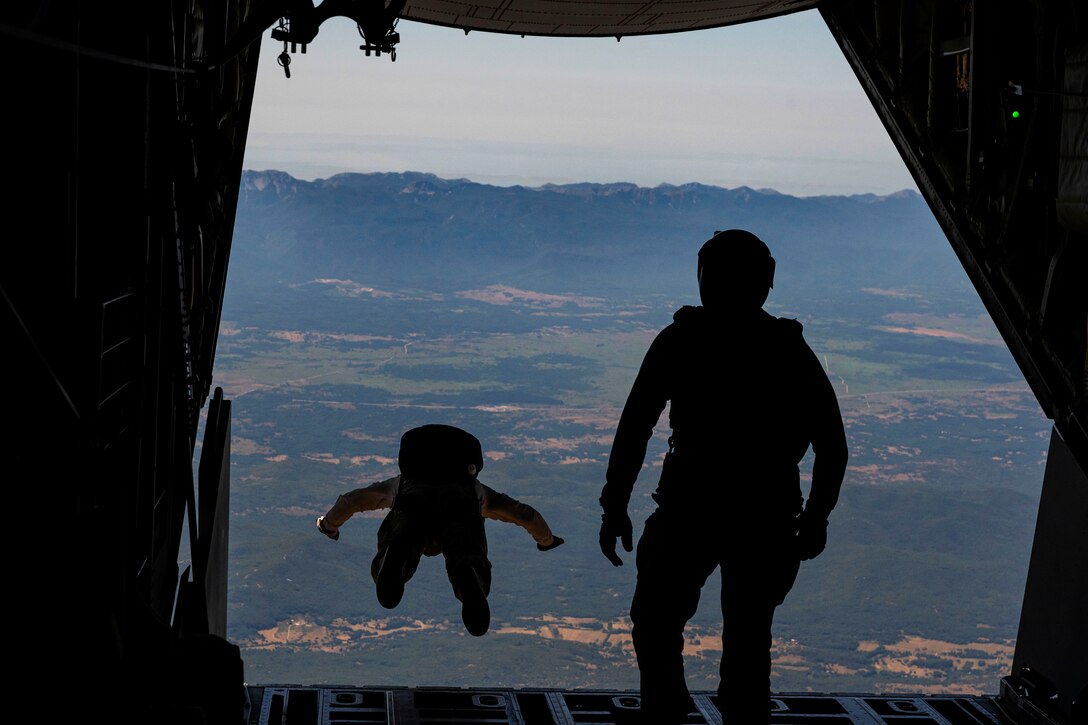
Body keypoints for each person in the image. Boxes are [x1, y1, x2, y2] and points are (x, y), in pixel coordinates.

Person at [597, 229, 849, 724]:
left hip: (692, 509)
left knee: (656, 622)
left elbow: (635, 427)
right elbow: (831, 446)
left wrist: (615, 505)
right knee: (749, 638)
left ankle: (667, 713)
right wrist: (816, 517)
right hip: (764, 515)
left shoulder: (681, 340)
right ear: (766, 282)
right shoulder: (787, 349)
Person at [317, 423, 565, 637]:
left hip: (412, 503)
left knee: (403, 538)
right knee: (467, 553)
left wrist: (329, 525)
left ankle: (393, 557)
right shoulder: (477, 491)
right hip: (462, 508)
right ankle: (469, 576)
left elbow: (352, 500)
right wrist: (546, 539)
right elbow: (523, 513)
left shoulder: (400, 484)